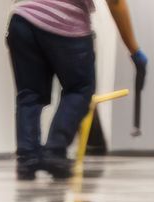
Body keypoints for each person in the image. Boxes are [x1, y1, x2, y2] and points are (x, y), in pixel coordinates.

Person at [8, 0, 146, 180]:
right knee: (80, 89)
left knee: (29, 94)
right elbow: (115, 2)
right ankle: (55, 152)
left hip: (22, 19)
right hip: (65, 23)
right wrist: (134, 51)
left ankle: (27, 158)